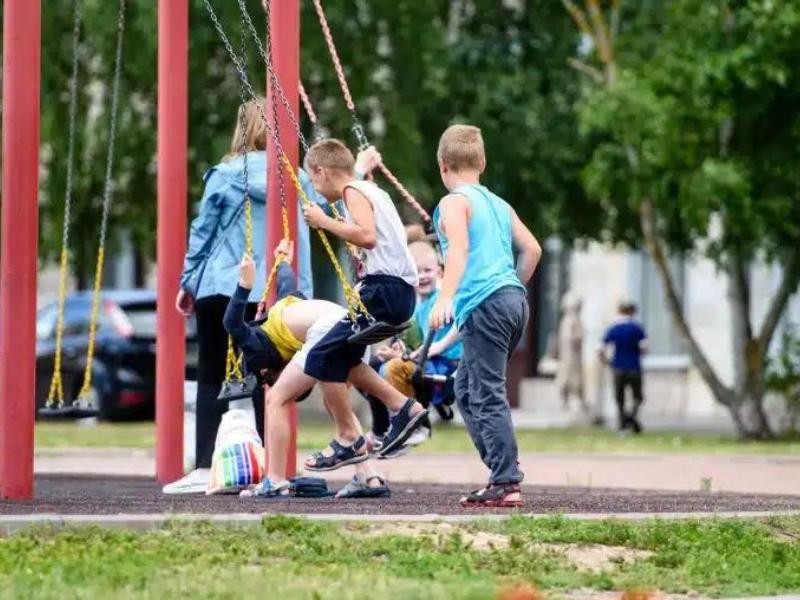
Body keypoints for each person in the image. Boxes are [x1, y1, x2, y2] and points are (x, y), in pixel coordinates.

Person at [164, 99, 378, 495]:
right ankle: (268, 466)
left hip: (221, 284)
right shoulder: (295, 179)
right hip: (275, 291)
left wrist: (188, 282)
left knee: (212, 373)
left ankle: (205, 466)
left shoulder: (225, 175)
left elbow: (203, 231)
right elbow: (324, 216)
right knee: (268, 376)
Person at [429, 124, 542, 508]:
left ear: (443, 165)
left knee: (486, 391)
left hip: (486, 304)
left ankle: (506, 481)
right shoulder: (498, 203)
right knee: (465, 389)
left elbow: (457, 250)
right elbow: (533, 250)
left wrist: (445, 296)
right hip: (513, 302)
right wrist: (511, 287)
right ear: (482, 163)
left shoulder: (453, 203)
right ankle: (500, 472)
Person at [224, 240, 389, 498]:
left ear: (266, 371)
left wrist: (244, 285)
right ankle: (367, 477)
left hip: (331, 329)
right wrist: (283, 262)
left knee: (275, 399)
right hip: (351, 327)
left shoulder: (259, 346)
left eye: (267, 377)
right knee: (338, 408)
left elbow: (232, 324)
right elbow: (288, 284)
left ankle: (275, 480)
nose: (268, 378)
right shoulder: (288, 308)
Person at [364, 240, 462, 449]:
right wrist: (397, 351)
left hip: (447, 363)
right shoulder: (417, 308)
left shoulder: (446, 298)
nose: (423, 276)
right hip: (426, 361)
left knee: (393, 368)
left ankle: (414, 423)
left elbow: (461, 318)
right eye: (418, 272)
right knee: (370, 368)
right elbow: (415, 346)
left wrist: (403, 357)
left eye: (428, 270)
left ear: (440, 272)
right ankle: (382, 430)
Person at [599, 300, 648, 434]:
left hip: (618, 367)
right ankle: (631, 418)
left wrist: (607, 362)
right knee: (638, 397)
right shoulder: (637, 329)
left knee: (619, 397)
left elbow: (602, 349)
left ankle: (623, 421)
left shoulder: (613, 329)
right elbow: (644, 348)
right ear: (632, 312)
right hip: (634, 366)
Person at [555, 292, 590, 415]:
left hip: (573, 355)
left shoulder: (571, 320)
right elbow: (571, 337)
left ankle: (575, 399)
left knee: (574, 376)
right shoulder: (571, 320)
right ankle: (569, 400)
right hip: (570, 355)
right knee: (570, 376)